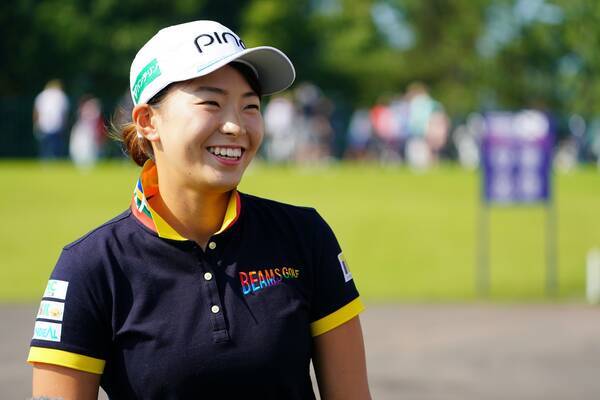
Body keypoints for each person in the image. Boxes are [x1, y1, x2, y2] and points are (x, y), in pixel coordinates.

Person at [27, 20, 371, 400]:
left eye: (250, 106)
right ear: (148, 121)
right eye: (211, 103)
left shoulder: (304, 235)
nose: (236, 126)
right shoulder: (90, 265)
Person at [33, 79, 70, 159]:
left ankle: (45, 161)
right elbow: (64, 113)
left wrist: (36, 124)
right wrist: (65, 125)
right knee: (56, 149)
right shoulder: (61, 95)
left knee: (44, 149)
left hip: (43, 125)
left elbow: (36, 112)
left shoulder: (42, 95)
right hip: (57, 126)